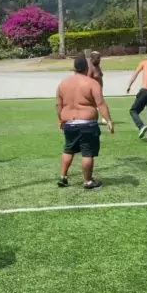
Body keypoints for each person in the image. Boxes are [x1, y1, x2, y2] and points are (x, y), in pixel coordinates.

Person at [56, 53, 114, 190]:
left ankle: (63, 177)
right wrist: (109, 120)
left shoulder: (63, 84)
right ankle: (88, 181)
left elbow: (59, 105)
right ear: (87, 69)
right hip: (87, 124)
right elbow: (101, 104)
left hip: (69, 123)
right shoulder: (92, 83)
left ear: (74, 68)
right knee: (87, 153)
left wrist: (60, 119)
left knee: (68, 149)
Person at [88, 51, 107, 125]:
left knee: (98, 104)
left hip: (99, 89)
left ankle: (100, 118)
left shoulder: (97, 66)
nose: (99, 59)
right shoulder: (90, 67)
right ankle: (103, 118)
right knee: (98, 104)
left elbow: (100, 74)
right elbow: (88, 79)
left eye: (99, 58)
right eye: (97, 58)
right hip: (93, 90)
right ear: (92, 58)